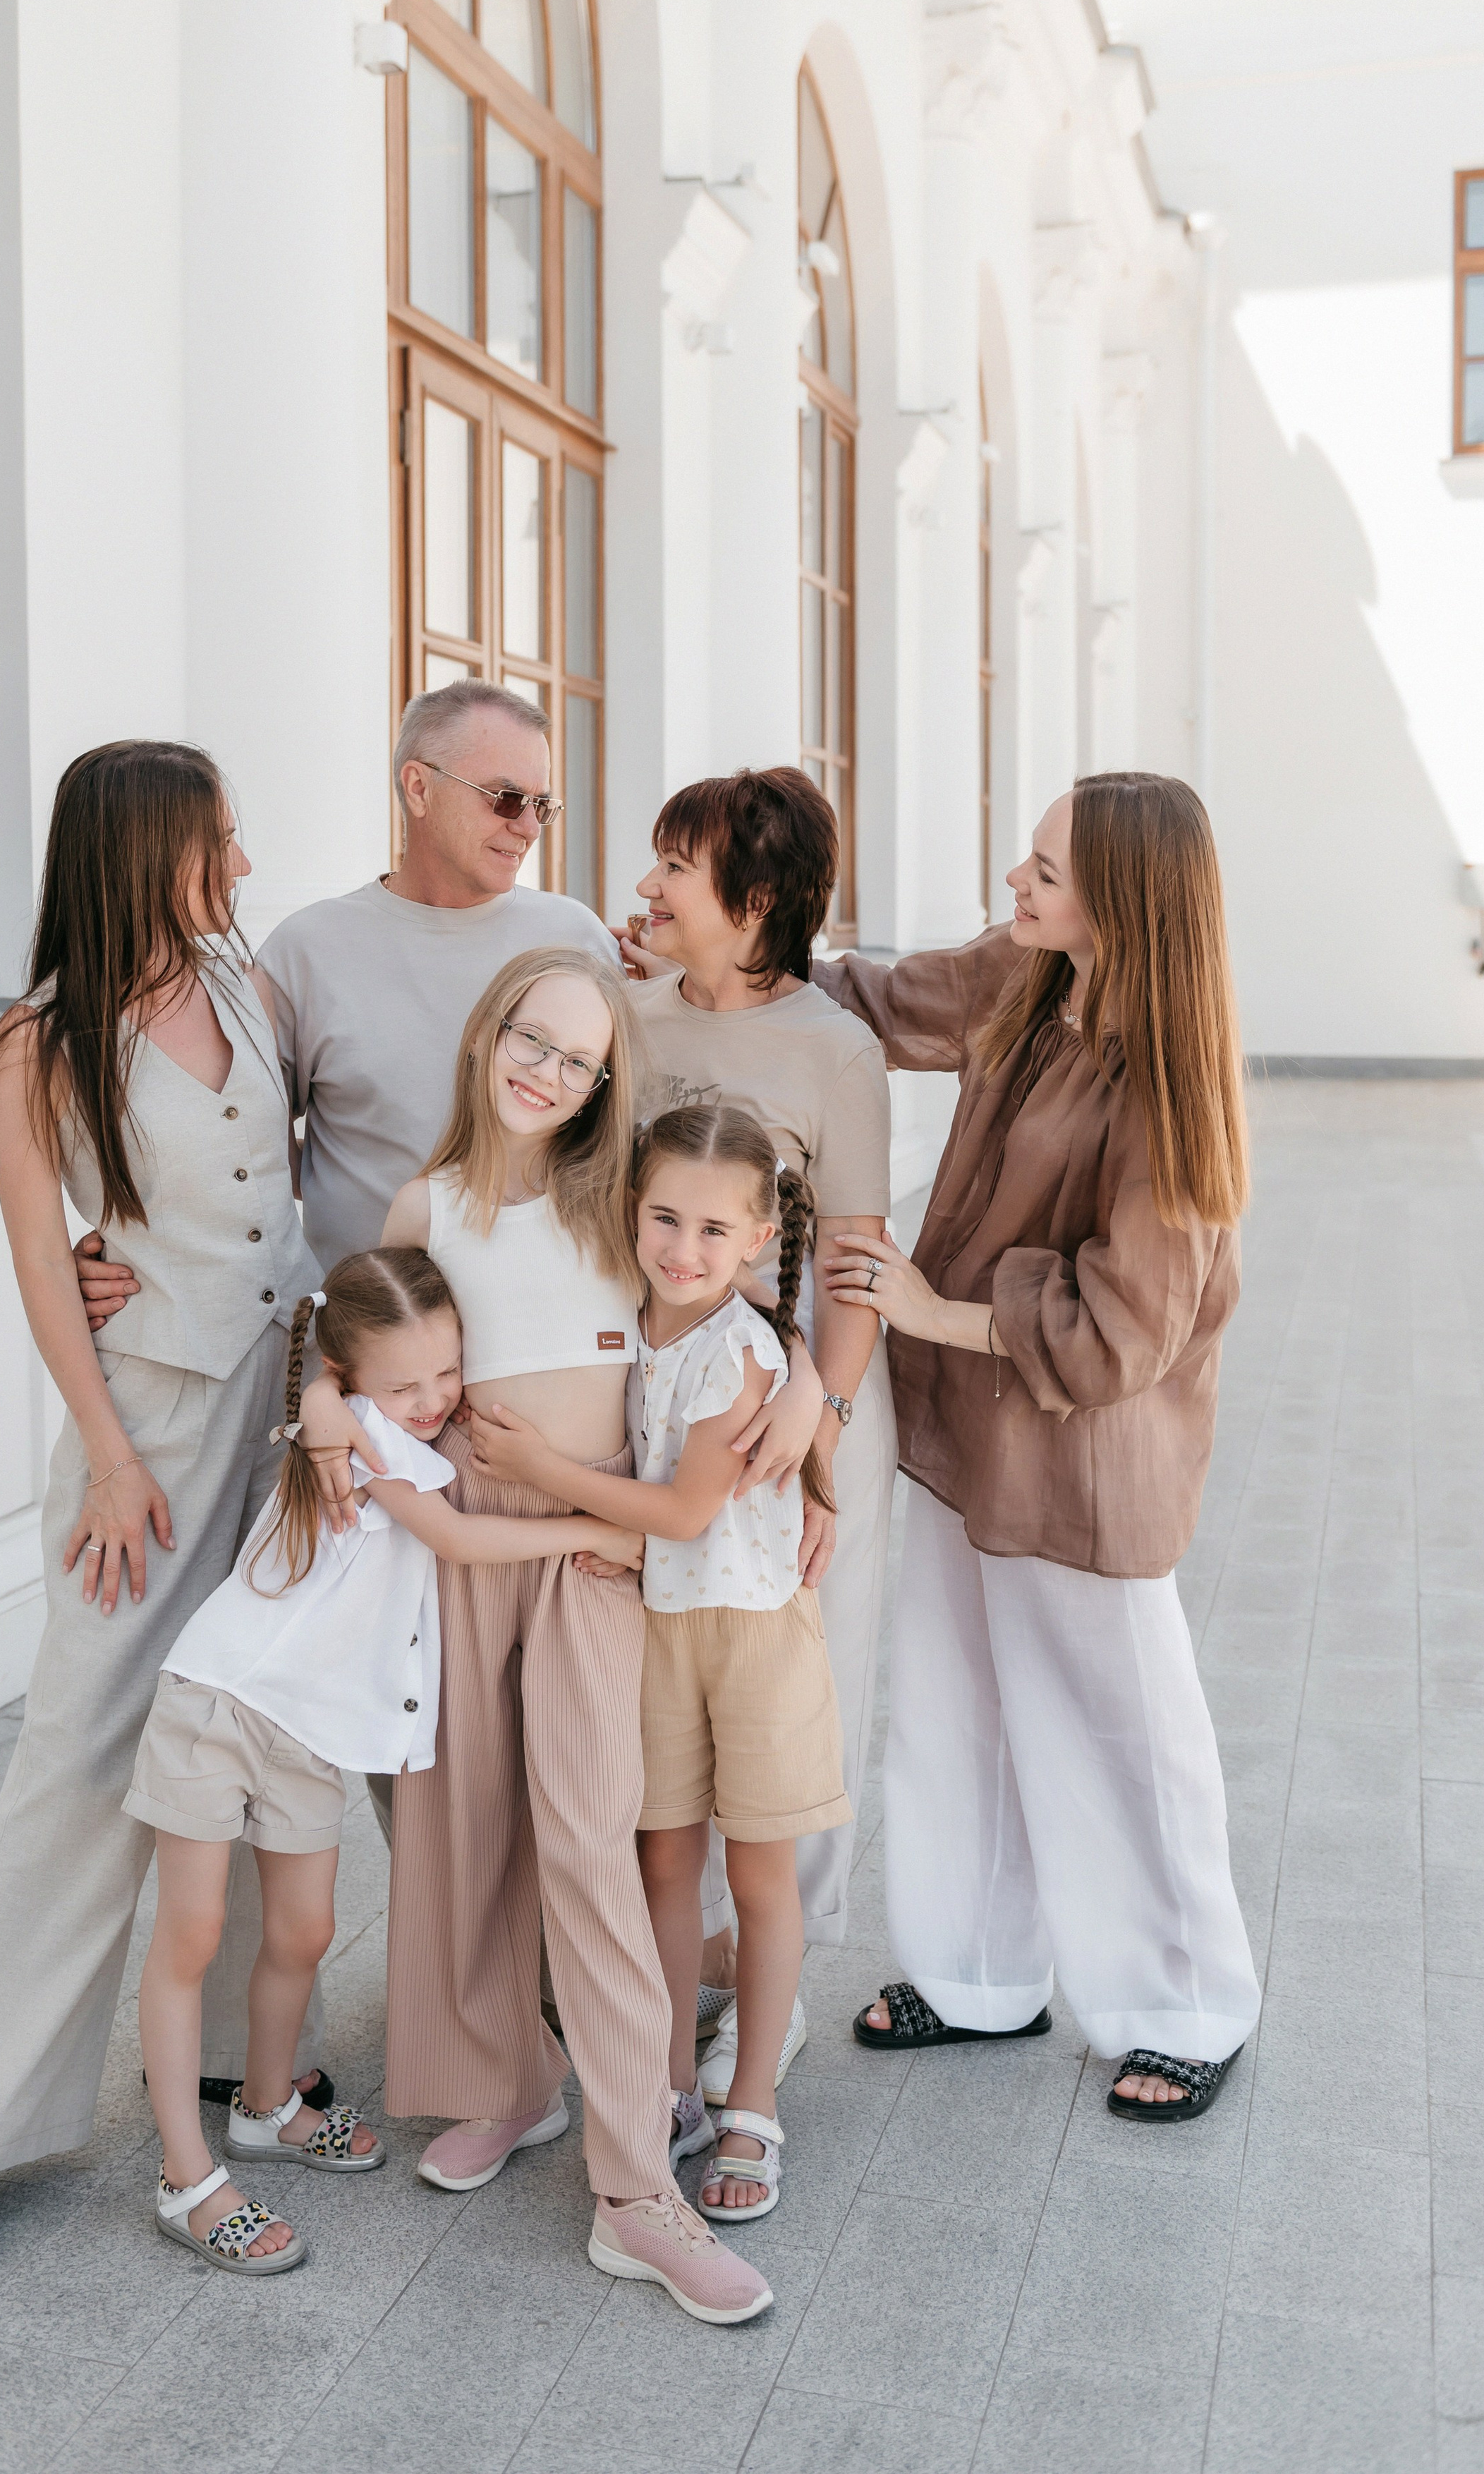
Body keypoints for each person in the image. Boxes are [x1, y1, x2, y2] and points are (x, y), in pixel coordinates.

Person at [75, 684, 825, 1825]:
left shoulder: (574, 938)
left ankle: (577, 1986)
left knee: (577, 1759)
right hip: (395, 1399)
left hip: (556, 1414)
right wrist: (120, 1234)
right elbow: (217, 1136)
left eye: (544, 801)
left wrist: (803, 1366)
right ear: (417, 788)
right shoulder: (306, 951)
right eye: (507, 795)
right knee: (418, 1731)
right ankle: (460, 1982)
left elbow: (697, 1147)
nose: (530, 822)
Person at [299, 947, 774, 2324]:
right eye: (532, 1038)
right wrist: (330, 1412)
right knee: (469, 1819)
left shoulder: (612, 1206)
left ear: (602, 1083)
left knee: (584, 1836)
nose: (546, 1072)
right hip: (464, 1538)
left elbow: (728, 1310)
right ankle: (512, 2083)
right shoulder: (426, 1200)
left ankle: (637, 2192)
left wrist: (797, 1431)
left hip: (591, 1546)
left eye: (578, 1059)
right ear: (486, 1030)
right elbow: (344, 1340)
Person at [0, 741, 322, 2279]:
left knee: (255, 1726)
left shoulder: (254, 988)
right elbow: (38, 1264)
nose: (244, 863)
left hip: (284, 1407)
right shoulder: (34, 1043)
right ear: (147, 851)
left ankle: (229, 2056)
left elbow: (281, 1181)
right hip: (141, 1426)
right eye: (221, 839)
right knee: (78, 1755)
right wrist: (111, 1454)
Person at [817, 772, 1262, 2120]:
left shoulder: (1170, 1083)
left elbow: (1125, 1328)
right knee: (956, 1701)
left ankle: (1186, 2001)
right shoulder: (1030, 977)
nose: (1016, 884)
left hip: (1083, 1458)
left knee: (1121, 1728)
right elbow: (885, 1003)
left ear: (1122, 899)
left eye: (1046, 871)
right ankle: (970, 1976)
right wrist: (720, 947)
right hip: (970, 1428)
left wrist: (926, 1307)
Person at [129, 1249, 643, 2273]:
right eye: (405, 1384)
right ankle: (185, 2176)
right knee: (190, 1937)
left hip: (312, 1733)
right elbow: (453, 1540)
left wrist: (329, 1389)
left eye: (447, 1374)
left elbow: (365, 1400)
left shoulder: (374, 1416)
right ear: (357, 1381)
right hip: (222, 1705)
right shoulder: (364, 1435)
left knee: (305, 1930)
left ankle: (267, 2105)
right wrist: (607, 1526)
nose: (433, 1399)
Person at [470, 1100, 847, 2228]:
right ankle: (672, 2082)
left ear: (757, 1238)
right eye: (664, 1219)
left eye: (714, 1234)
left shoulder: (740, 1353)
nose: (684, 1252)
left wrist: (547, 1470)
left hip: (754, 1632)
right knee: (663, 1863)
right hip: (657, 1631)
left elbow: (687, 1512)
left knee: (761, 1875)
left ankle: (754, 2099)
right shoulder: (632, 1316)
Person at [619, 766, 895, 2097]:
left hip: (789, 1414)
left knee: (788, 1719)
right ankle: (667, 2014)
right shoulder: (625, 1011)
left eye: (681, 864)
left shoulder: (833, 1047)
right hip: (650, 1412)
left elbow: (854, 1256)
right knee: (663, 1745)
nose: (653, 884)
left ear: (761, 899)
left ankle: (764, 2010)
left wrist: (817, 1413)